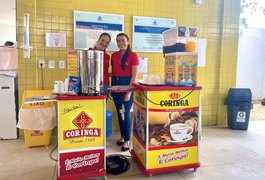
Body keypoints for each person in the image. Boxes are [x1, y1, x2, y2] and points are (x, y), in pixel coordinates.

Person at [111, 33, 139, 151]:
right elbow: (114, 73)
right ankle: (122, 136)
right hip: (116, 87)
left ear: (128, 41)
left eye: (123, 40)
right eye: (118, 41)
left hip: (127, 87)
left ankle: (127, 140)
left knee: (125, 113)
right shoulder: (114, 55)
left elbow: (134, 76)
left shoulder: (133, 55)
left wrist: (129, 92)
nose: (120, 43)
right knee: (119, 113)